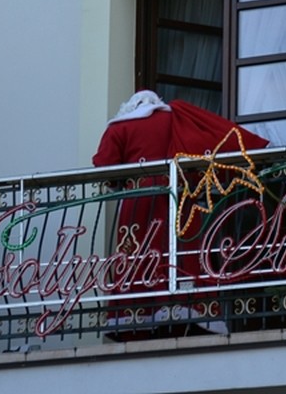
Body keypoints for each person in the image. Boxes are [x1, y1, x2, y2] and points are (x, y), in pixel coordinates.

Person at [92, 91, 269, 338]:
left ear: (130, 106)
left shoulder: (120, 126)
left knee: (139, 254)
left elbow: (104, 167)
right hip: (180, 196)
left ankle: (137, 312)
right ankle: (186, 306)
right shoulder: (175, 117)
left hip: (139, 200)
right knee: (183, 253)